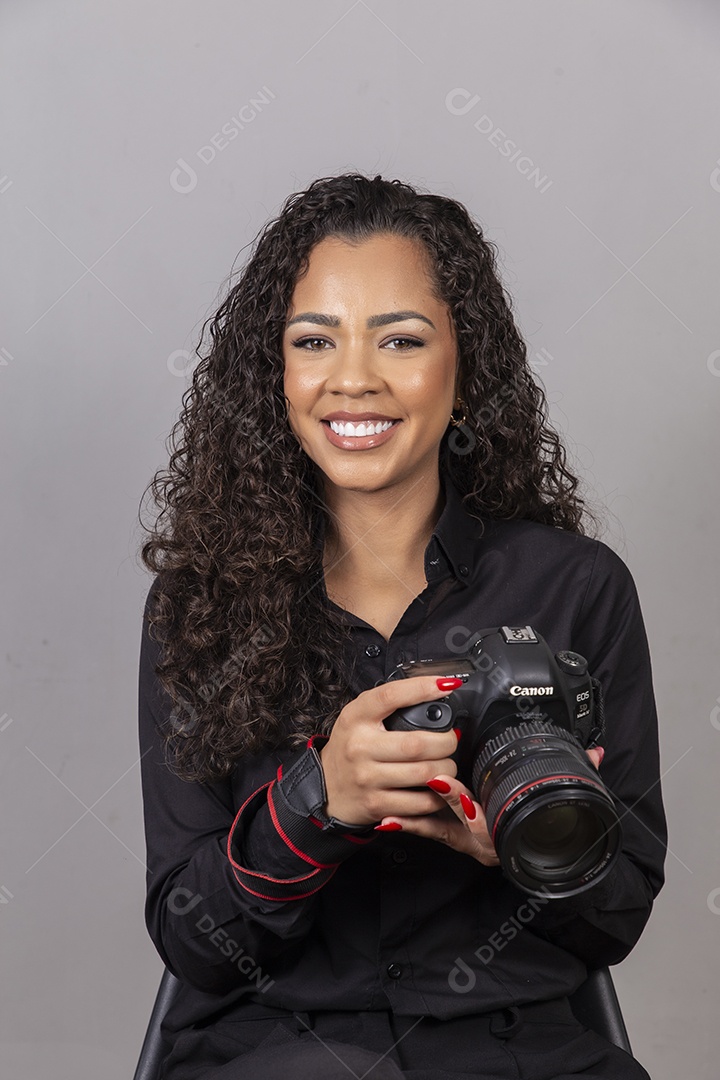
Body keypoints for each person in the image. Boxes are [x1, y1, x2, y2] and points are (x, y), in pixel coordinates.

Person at [137, 173, 666, 1080]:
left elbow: (616, 917)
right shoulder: (202, 606)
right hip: (275, 1051)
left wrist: (528, 847)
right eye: (315, 340)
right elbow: (195, 942)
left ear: (463, 371)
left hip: (516, 1052)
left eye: (402, 339)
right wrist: (317, 804)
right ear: (278, 376)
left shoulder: (577, 590)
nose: (353, 378)